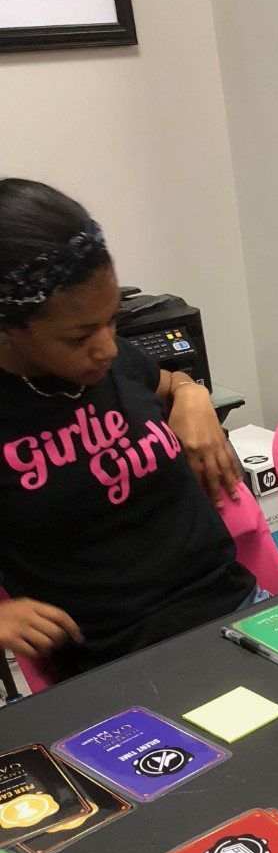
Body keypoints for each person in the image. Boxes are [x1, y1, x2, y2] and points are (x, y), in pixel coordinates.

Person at [0, 179, 256, 678]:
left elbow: (168, 380)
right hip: (116, 662)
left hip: (237, 608)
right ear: (8, 327)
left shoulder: (109, 362)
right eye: (79, 336)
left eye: (111, 320)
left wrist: (191, 394)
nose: (108, 348)